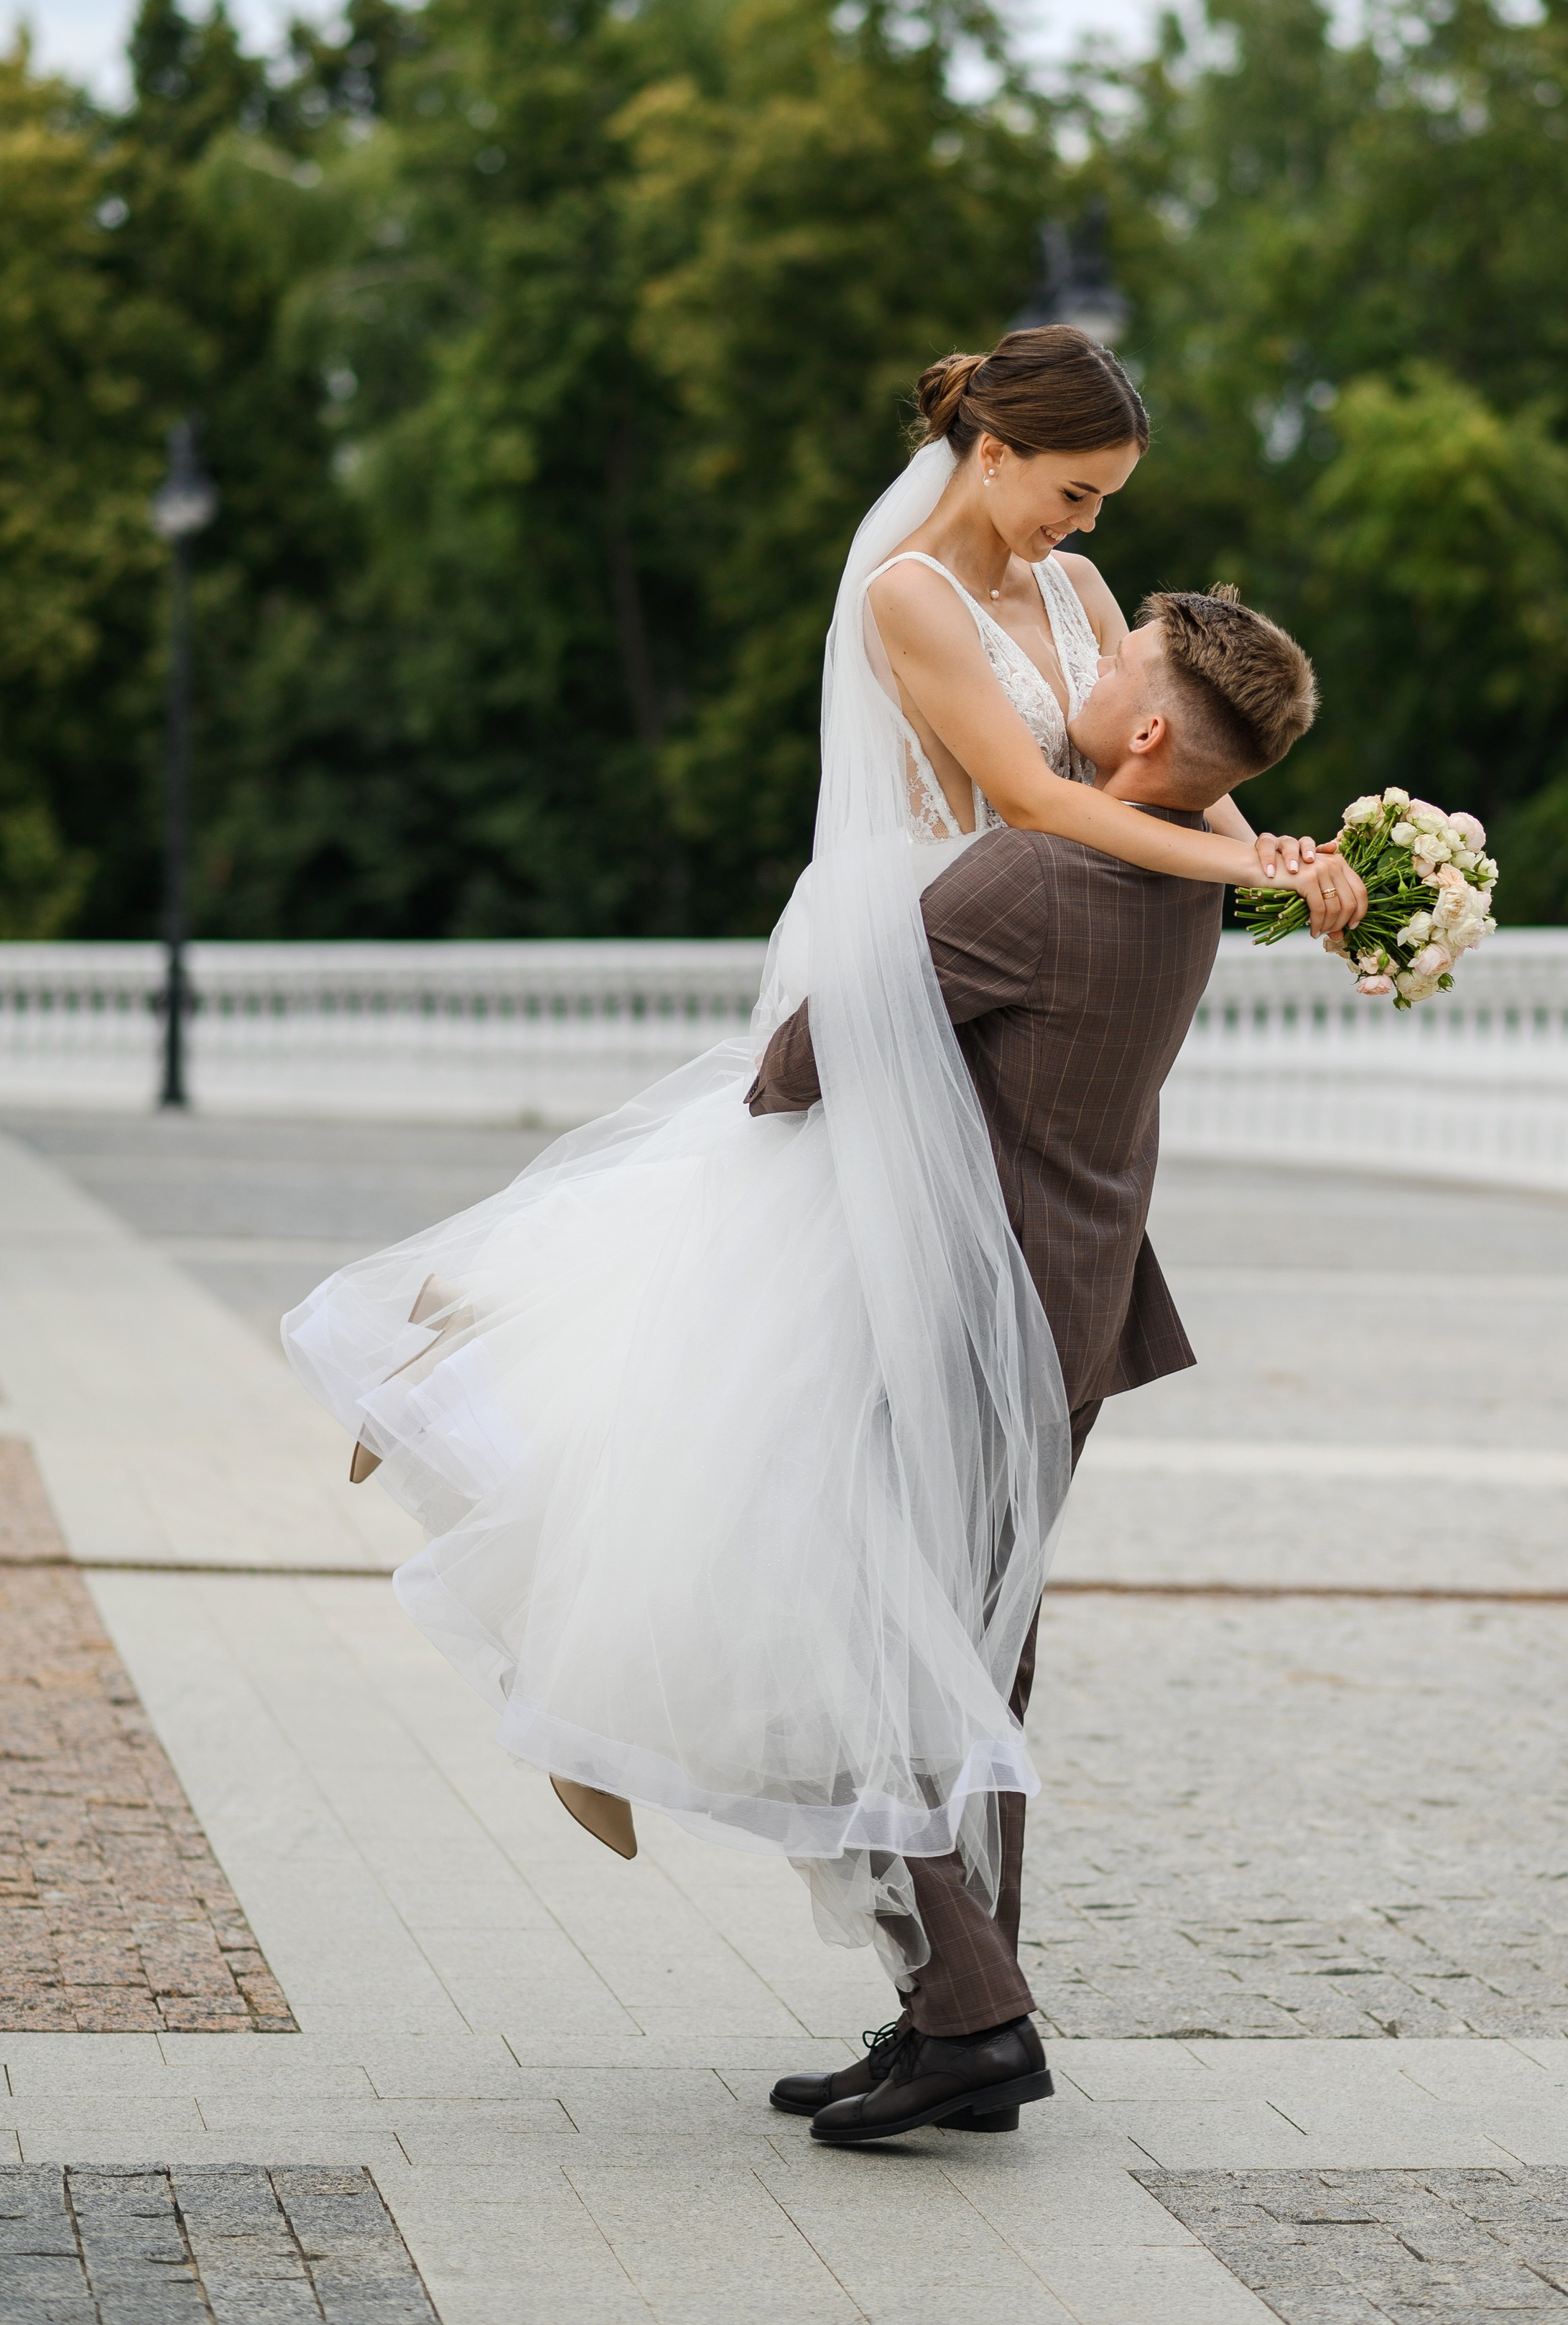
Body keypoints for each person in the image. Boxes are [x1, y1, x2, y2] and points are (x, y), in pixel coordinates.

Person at [280, 327, 1363, 2033]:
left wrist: (1262, 850)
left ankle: (496, 1366)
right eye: (1073, 492)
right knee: (763, 1334)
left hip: (1013, 954)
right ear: (995, 449)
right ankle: (499, 1425)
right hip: (918, 939)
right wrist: (1231, 863)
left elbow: (1142, 767)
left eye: (1106, 507)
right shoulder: (913, 594)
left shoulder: (1084, 602)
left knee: (761, 1342)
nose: (1085, 535)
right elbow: (1028, 794)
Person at [751, 582, 1322, 2144]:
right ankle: (946, 2011)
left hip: (956, 1321)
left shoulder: (1034, 870)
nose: (1081, 664)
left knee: (879, 1653)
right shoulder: (1187, 875)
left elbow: (797, 1064)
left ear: (1145, 732)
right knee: (979, 1662)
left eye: (1113, 659)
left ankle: (976, 2019)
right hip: (1071, 1311)